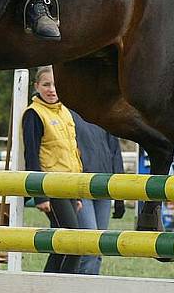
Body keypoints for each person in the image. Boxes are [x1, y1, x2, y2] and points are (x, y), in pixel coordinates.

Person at [22, 65, 82, 273]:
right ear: (36, 86)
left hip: (71, 187)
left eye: (55, 84)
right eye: (46, 84)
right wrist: (40, 195)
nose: (51, 89)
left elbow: (72, 152)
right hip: (52, 187)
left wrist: (79, 194)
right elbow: (31, 155)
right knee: (75, 244)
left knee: (60, 245)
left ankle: (44, 285)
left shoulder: (65, 111)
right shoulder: (33, 114)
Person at [70, 110, 125, 275]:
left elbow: (115, 152)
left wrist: (120, 194)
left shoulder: (104, 114)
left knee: (98, 248)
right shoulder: (68, 113)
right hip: (80, 186)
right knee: (90, 246)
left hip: (104, 187)